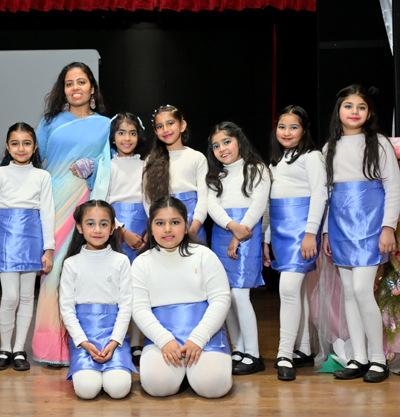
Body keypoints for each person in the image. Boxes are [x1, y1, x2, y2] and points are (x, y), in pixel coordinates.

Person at [0, 62, 111, 366]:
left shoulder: (106, 125)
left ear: (92, 88)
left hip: (87, 205)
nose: (75, 88)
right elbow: (32, 159)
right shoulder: (51, 122)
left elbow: (112, 162)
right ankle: (52, 348)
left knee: (82, 273)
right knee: (52, 276)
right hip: (52, 202)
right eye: (69, 83)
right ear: (63, 90)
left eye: (81, 82)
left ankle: (88, 343)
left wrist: (94, 168)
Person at [322, 85, 400, 383]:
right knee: (349, 294)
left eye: (361, 107)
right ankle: (359, 357)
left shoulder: (379, 143)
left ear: (369, 114)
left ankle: (378, 359)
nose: (354, 111)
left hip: (371, 225)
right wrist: (326, 232)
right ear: (338, 111)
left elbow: (393, 187)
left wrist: (388, 227)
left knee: (361, 290)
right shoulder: (329, 148)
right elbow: (327, 194)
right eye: (348, 106)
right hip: (340, 226)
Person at [132, 196, 232, 398]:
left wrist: (198, 338)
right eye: (160, 223)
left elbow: (221, 299)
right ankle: (183, 374)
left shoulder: (204, 255)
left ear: (186, 226)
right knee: (157, 386)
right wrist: (164, 340)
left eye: (175, 222)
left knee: (213, 387)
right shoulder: (141, 263)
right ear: (151, 227)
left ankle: (195, 372)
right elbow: (139, 308)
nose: (167, 229)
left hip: (205, 334)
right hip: (163, 338)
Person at [262, 105, 327, 381]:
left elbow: (320, 195)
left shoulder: (311, 157)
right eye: (282, 126)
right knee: (297, 292)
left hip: (302, 232)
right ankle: (304, 349)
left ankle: (284, 354)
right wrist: (265, 239)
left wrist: (311, 233)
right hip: (280, 233)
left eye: (293, 127)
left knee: (288, 289)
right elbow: (268, 204)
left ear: (304, 130)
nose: (286, 132)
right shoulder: (274, 163)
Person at [0, 123, 55, 371]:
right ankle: (4, 348)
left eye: (26, 143)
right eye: (15, 143)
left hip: (33, 239)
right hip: (6, 239)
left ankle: (19, 349)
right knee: (10, 296)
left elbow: (47, 214)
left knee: (26, 297)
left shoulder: (42, 176)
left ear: (34, 146)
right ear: (7, 146)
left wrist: (48, 249)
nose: (21, 148)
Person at [205, 122, 271, 375]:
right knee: (227, 296)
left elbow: (258, 205)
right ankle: (239, 350)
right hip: (222, 234)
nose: (222, 148)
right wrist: (231, 227)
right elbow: (212, 206)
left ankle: (253, 354)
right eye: (216, 145)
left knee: (241, 295)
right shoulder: (216, 176)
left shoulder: (257, 169)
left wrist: (239, 232)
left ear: (239, 141)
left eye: (227, 142)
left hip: (247, 233)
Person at [59, 200, 135, 399]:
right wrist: (83, 342)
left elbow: (126, 306)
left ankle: (111, 372)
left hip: (114, 337)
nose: (97, 229)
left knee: (119, 390)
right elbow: (66, 309)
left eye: (104, 224)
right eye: (90, 223)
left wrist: (114, 341)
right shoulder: (71, 264)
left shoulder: (121, 261)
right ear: (79, 227)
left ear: (112, 228)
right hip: (84, 338)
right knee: (87, 390)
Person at [105, 112, 147, 365]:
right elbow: (104, 202)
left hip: (143, 232)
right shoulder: (107, 166)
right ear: (113, 137)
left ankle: (137, 343)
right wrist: (121, 231)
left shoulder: (147, 165)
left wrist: (148, 231)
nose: (127, 138)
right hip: (115, 231)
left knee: (139, 288)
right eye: (121, 133)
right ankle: (116, 339)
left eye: (132, 133)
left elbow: (151, 200)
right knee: (116, 288)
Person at [143, 105, 208, 243]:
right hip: (163, 228)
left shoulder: (197, 157)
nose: (166, 129)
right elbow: (147, 198)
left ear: (182, 125)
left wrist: (193, 228)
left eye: (170, 123)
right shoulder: (150, 161)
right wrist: (157, 224)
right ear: (155, 131)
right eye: (160, 126)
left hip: (193, 225)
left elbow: (204, 197)